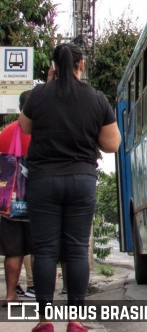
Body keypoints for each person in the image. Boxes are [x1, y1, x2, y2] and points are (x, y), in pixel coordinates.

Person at [19, 43, 121, 332]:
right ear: (81, 66)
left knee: (46, 250)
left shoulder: (38, 95)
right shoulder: (96, 99)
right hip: (81, 180)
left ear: (52, 66)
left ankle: (44, 321)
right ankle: (75, 321)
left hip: (43, 181)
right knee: (76, 251)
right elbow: (112, 144)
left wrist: (49, 86)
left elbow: (25, 128)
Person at [0, 90, 33, 306]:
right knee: (40, 248)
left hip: (9, 202)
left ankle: (10, 294)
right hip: (38, 201)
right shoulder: (42, 132)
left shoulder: (5, 133)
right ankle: (41, 294)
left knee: (13, 249)